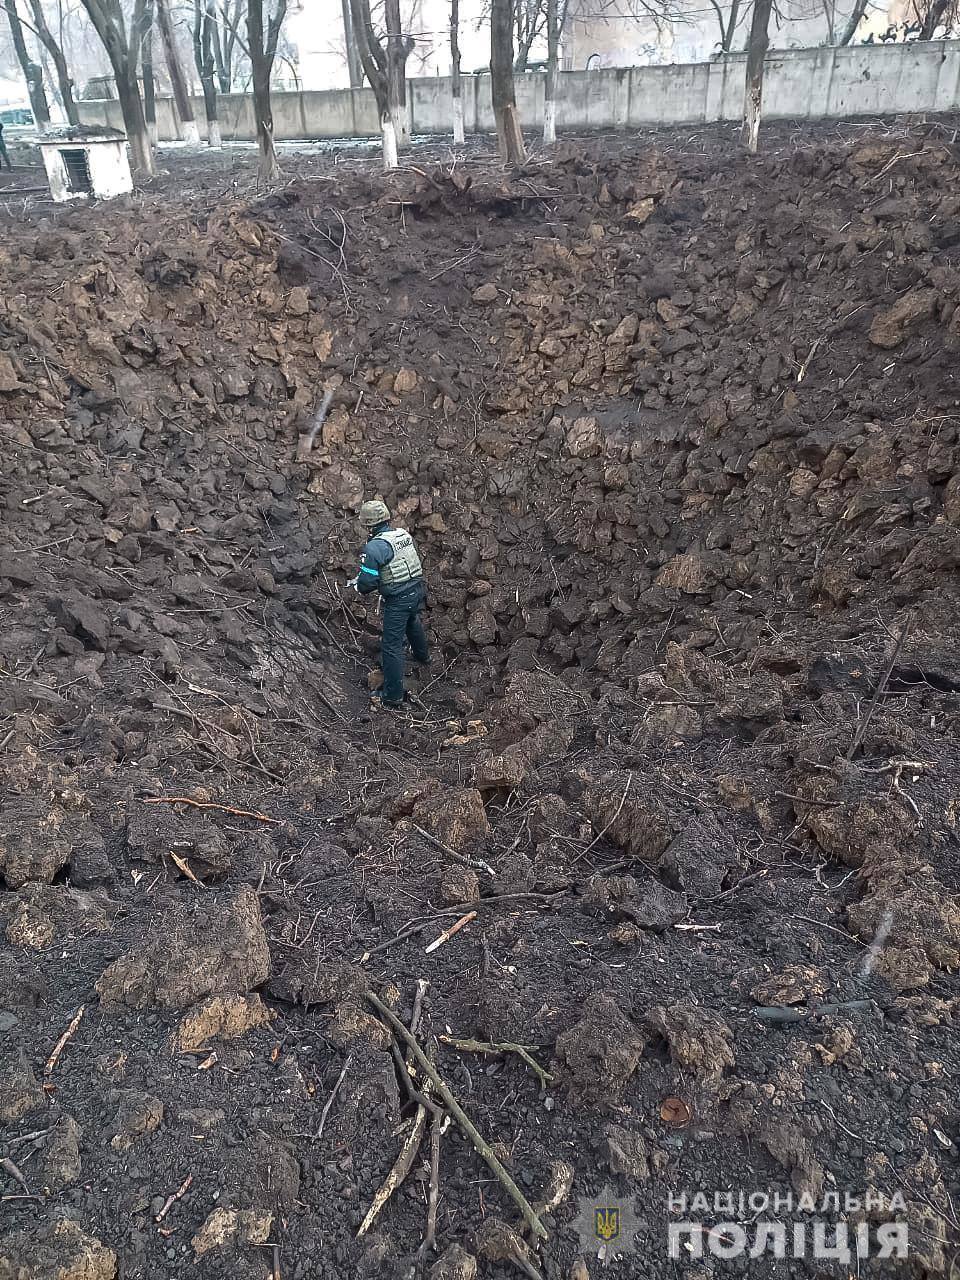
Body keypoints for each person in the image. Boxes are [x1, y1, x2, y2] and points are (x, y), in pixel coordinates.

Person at [349, 499, 430, 709]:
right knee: (413, 621)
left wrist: (358, 587)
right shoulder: (402, 535)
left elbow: (367, 583)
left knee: (391, 645)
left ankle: (392, 696)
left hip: (398, 598)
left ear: (368, 525)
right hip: (417, 590)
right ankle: (423, 656)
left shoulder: (374, 547)